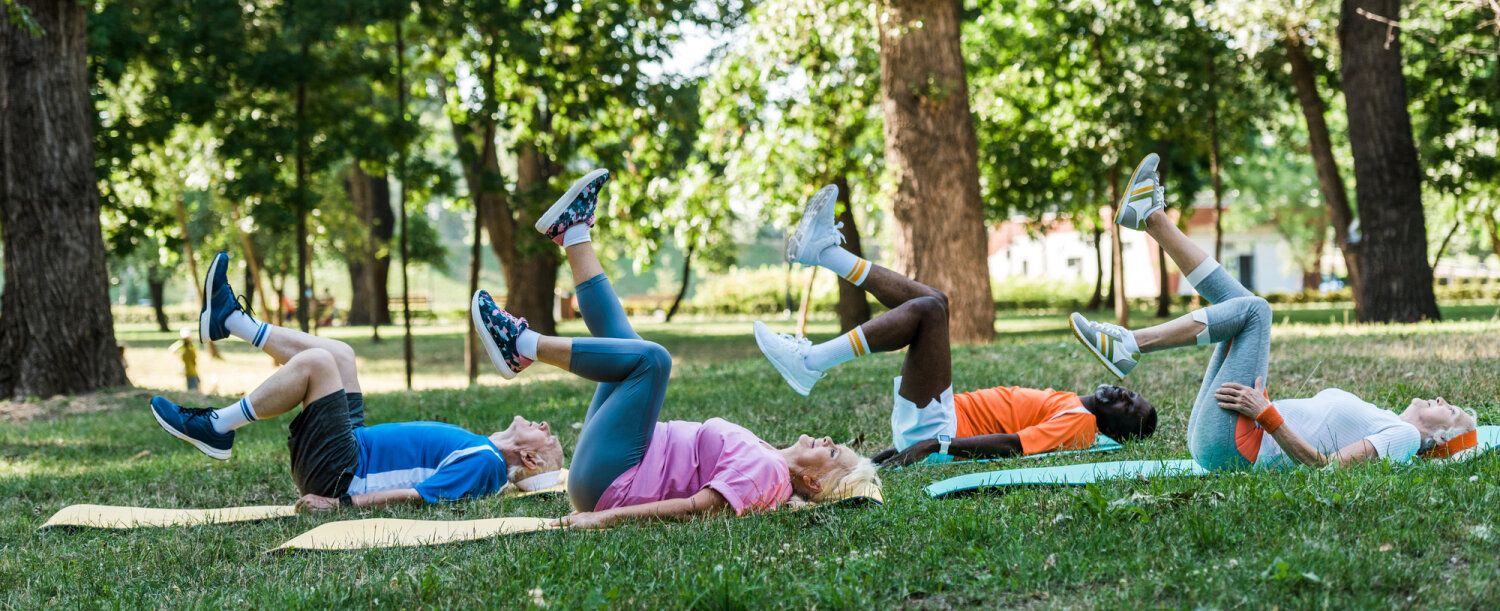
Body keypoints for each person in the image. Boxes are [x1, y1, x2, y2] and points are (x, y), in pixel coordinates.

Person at [472, 169, 879, 530]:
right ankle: (573, 231)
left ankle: (522, 346)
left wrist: (600, 519)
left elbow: (692, 508)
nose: (828, 439)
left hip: (613, 479)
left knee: (653, 361)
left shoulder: (767, 473)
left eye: (834, 451)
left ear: (813, 482)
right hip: (616, 464)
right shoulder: (768, 462)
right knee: (629, 346)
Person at [1069, 153, 1479, 470]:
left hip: (1236, 444)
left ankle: (1129, 344)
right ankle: (1152, 218)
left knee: (1254, 312)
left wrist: (1267, 415)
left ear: (1440, 436)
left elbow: (1327, 469)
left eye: (1452, 410)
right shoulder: (1387, 419)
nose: (1443, 399)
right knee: (1240, 305)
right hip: (1227, 436)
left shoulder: (1404, 438)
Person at [753, 186, 1158, 467]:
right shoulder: (1074, 404)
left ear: (1114, 429)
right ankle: (826, 253)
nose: (1124, 394)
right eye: (1132, 394)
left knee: (929, 310)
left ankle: (811, 361)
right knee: (937, 302)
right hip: (937, 416)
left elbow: (1013, 445)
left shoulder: (1081, 424)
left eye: (1126, 408)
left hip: (940, 426)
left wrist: (936, 444)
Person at [150, 251, 565, 511]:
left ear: (528, 460)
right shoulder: (484, 451)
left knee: (319, 364)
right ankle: (232, 321)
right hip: (355, 446)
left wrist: (342, 503)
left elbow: (420, 496)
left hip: (342, 471)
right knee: (342, 357)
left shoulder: (487, 464)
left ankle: (217, 427)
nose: (545, 427)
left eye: (548, 438)